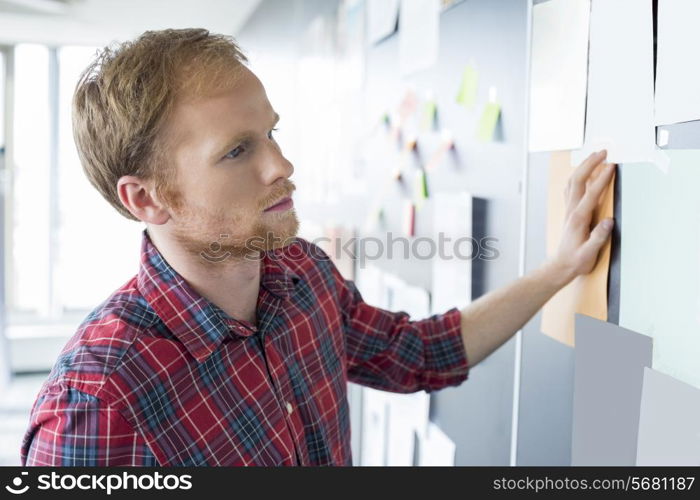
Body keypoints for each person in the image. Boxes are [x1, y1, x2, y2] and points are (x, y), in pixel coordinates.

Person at [20, 28, 614, 466]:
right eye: (236, 151)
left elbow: (419, 354)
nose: (281, 165)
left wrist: (558, 269)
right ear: (147, 200)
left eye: (271, 133)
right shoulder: (97, 403)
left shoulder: (302, 275)